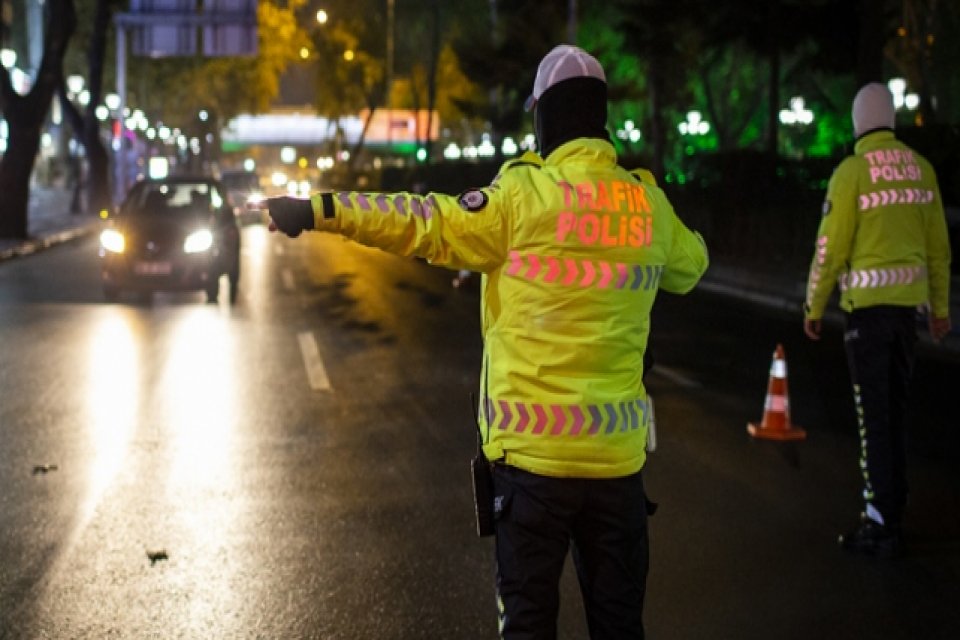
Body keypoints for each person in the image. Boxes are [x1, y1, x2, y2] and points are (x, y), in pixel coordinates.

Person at [265, 44, 708, 638]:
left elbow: (421, 220)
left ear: (543, 116)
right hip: (617, 468)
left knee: (527, 625)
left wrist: (320, 209)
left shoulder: (521, 199)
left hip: (532, 470)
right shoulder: (646, 204)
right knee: (620, 625)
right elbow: (692, 265)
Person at [803, 82, 952, 559]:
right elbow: (939, 250)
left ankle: (880, 521)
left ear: (856, 123)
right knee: (894, 413)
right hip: (906, 316)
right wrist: (942, 310)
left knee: (873, 419)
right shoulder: (922, 171)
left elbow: (830, 249)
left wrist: (813, 305)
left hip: (866, 316)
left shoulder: (851, 174)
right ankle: (894, 505)